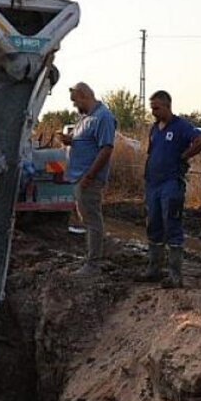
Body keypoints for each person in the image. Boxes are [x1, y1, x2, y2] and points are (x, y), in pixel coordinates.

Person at [137, 91, 201, 288]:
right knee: (153, 224)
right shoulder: (154, 129)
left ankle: (175, 275)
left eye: (156, 108)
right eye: (151, 108)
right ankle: (154, 269)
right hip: (153, 184)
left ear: (167, 106)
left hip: (171, 183)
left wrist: (185, 155)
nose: (153, 112)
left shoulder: (181, 126)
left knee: (172, 224)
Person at [61, 82, 116, 276]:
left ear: (84, 96)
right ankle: (93, 257)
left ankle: (93, 264)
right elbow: (86, 143)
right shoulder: (85, 118)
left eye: (75, 101)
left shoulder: (103, 117)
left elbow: (106, 148)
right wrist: (70, 141)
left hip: (88, 178)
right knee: (87, 219)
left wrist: (89, 176)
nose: (75, 106)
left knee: (92, 220)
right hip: (80, 176)